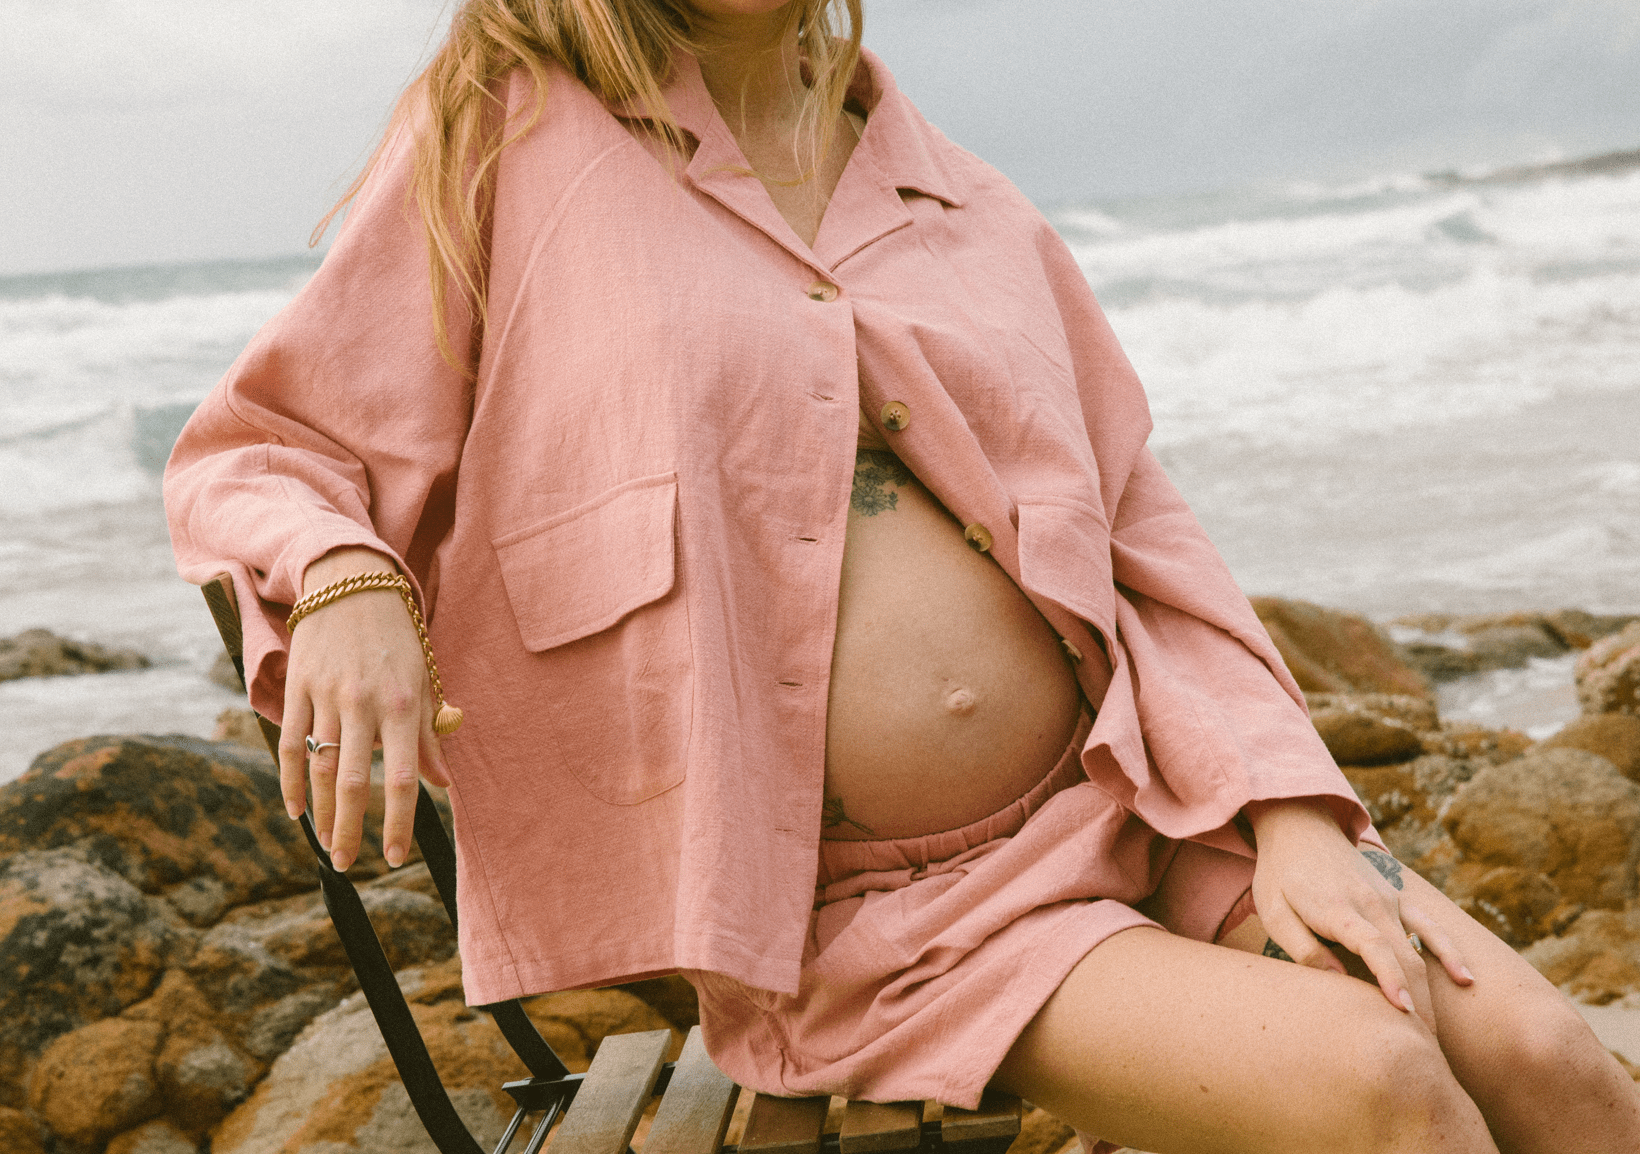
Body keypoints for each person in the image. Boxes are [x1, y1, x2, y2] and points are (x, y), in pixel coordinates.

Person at [164, 2, 1639, 1150]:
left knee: (1554, 1061)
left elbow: (1140, 539)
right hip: (885, 921)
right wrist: (350, 580)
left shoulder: (955, 195)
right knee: (1381, 1086)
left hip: (1149, 795)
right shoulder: (503, 139)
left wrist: (1294, 815)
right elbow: (258, 450)